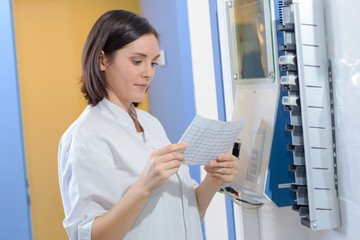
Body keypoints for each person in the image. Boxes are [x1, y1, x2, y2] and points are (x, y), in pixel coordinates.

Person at [58, 10, 238, 240]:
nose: (148, 73)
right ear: (102, 60)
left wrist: (213, 181)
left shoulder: (150, 124)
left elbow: (187, 215)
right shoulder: (85, 137)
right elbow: (89, 236)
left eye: (153, 63)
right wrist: (144, 186)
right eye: (137, 61)